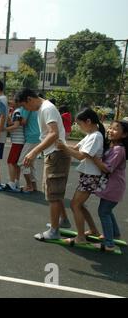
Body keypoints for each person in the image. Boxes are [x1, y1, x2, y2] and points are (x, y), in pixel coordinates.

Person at [15, 88, 71, 241]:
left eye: (25, 106)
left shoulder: (47, 108)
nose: (26, 110)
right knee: (53, 191)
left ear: (29, 99)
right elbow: (48, 134)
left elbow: (54, 134)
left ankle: (54, 231)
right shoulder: (42, 109)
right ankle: (64, 220)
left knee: (52, 195)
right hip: (53, 153)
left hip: (57, 155)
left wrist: (34, 152)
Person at [57, 108, 107, 246]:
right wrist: (62, 145)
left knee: (75, 205)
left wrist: (64, 147)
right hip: (88, 174)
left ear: (88, 121)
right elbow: (76, 148)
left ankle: (81, 237)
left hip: (91, 175)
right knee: (79, 205)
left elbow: (80, 156)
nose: (79, 127)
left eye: (80, 124)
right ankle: (93, 230)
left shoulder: (96, 136)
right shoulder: (90, 134)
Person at [93, 121, 127, 251]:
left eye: (115, 129)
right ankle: (114, 234)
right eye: (110, 128)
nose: (110, 131)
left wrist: (93, 158)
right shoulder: (113, 147)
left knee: (103, 212)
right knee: (107, 210)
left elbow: (108, 169)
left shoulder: (119, 150)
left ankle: (109, 243)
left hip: (114, 187)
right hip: (110, 186)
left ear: (124, 135)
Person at [3, 99, 25, 191]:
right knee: (15, 163)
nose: (9, 102)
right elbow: (13, 123)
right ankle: (16, 182)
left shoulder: (17, 112)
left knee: (10, 162)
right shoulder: (17, 112)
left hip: (18, 141)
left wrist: (3, 129)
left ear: (17, 102)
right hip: (18, 141)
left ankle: (12, 183)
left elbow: (15, 126)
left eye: (11, 101)